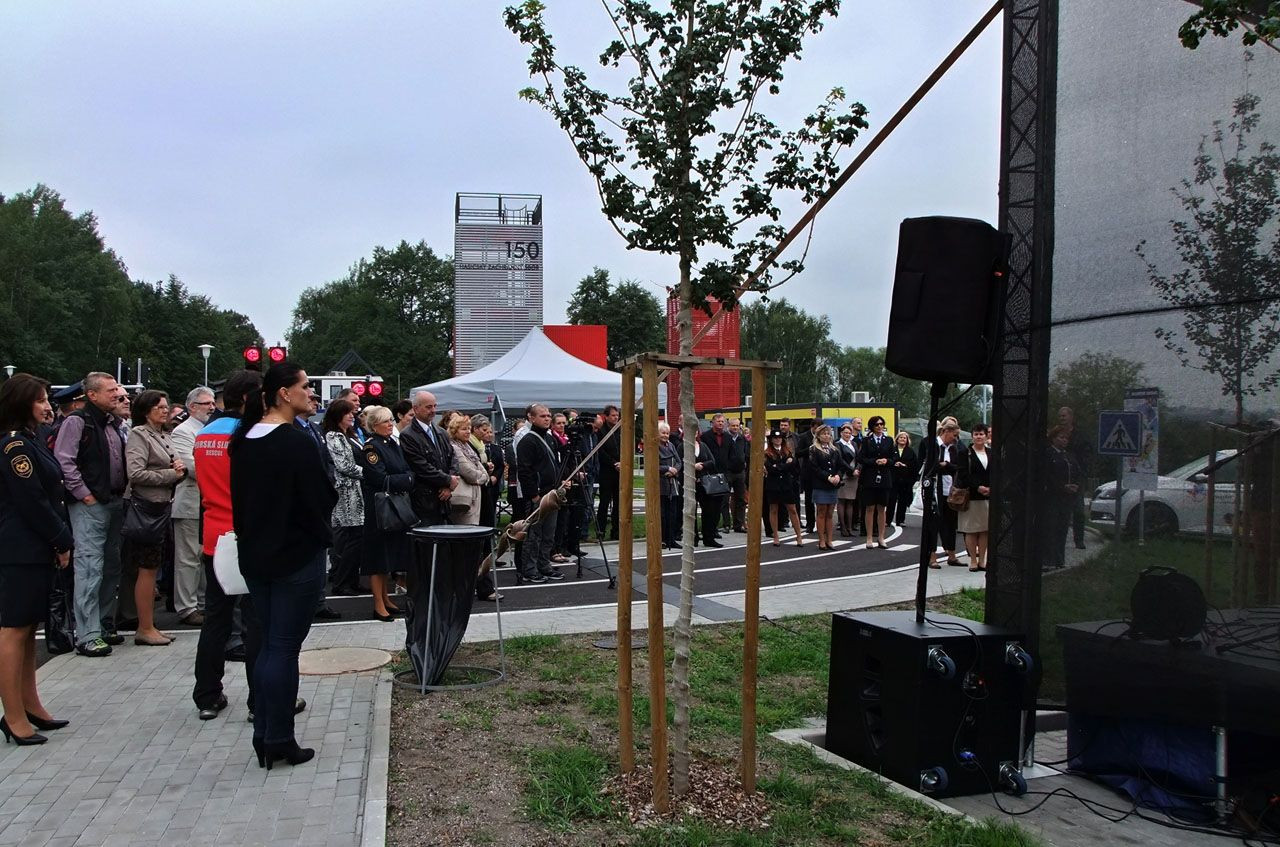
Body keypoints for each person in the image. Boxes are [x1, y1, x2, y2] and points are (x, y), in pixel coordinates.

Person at [230, 362, 337, 769]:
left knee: (269, 644)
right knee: (282, 648)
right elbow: (320, 498)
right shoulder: (294, 441)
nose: (312, 393)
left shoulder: (244, 440)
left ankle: (266, 734)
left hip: (256, 557)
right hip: (295, 556)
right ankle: (278, 737)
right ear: (283, 394)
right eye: (306, 386)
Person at [0, 375, 74, 745]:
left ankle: (31, 704)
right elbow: (31, 501)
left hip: (34, 546)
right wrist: (61, 538)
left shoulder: (31, 440)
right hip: (19, 548)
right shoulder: (15, 446)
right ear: (21, 403)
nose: (48, 406)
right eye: (41, 400)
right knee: (14, 629)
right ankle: (12, 716)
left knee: (30, 629)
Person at [192, 370, 266, 722]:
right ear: (251, 398)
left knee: (216, 618)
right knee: (256, 620)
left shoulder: (204, 434)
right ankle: (259, 700)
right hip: (248, 534)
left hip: (214, 534)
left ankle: (207, 694)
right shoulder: (250, 435)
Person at [54, 371, 127, 657]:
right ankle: (88, 634)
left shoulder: (112, 423)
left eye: (116, 390)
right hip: (90, 504)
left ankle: (105, 623)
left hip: (113, 501)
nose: (117, 394)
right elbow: (65, 461)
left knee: (111, 565)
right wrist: (84, 494)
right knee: (89, 567)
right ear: (92, 395)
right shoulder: (77, 421)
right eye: (110, 391)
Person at [124, 390, 186, 646]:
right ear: (146, 410)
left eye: (165, 405)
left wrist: (178, 472)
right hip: (145, 507)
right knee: (146, 569)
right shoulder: (139, 435)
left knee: (153, 566)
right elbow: (136, 473)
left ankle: (149, 624)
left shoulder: (164, 434)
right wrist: (171, 475)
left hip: (162, 506)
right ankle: (144, 626)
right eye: (158, 406)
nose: (164, 410)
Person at [359, 406, 414, 621]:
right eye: (385, 421)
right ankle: (378, 604)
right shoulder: (371, 448)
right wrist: (405, 480)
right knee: (377, 555)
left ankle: (386, 598)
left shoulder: (392, 443)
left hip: (395, 503)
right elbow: (379, 477)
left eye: (391, 420)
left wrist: (406, 478)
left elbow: (406, 469)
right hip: (379, 506)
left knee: (389, 555)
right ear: (374, 425)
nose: (390, 424)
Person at [170, 386, 215, 626]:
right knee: (188, 558)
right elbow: (192, 465)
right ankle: (186, 607)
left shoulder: (211, 430)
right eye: (206, 403)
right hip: (190, 501)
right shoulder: (182, 432)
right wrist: (218, 470)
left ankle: (202, 603)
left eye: (211, 403)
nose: (211, 407)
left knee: (204, 555)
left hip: (209, 501)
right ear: (192, 407)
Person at [448, 413, 501, 602]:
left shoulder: (468, 447)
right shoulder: (454, 448)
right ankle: (469, 588)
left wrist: (483, 474)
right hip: (465, 503)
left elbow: (481, 470)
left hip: (477, 501)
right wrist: (483, 475)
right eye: (464, 429)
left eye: (468, 429)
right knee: (467, 547)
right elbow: (472, 473)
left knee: (475, 546)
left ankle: (475, 586)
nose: (467, 432)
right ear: (454, 430)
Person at [516, 404, 567, 583]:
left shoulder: (550, 438)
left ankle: (544, 564)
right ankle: (529, 569)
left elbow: (555, 464)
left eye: (548, 415)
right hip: (537, 494)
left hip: (551, 493)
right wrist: (533, 495)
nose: (547, 418)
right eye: (543, 416)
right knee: (533, 534)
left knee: (548, 534)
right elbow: (524, 470)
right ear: (531, 417)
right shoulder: (528, 440)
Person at [323, 399, 364, 597]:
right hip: (344, 494)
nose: (352, 415)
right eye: (347, 413)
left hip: (356, 492)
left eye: (352, 413)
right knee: (348, 539)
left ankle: (352, 580)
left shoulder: (351, 434)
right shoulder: (333, 436)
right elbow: (343, 465)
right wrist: (369, 472)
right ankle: (341, 581)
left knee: (356, 538)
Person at [399, 391, 458, 527]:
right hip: (424, 500)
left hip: (444, 500)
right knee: (426, 543)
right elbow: (420, 466)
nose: (433, 411)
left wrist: (450, 483)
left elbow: (453, 458)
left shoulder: (441, 432)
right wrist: (448, 480)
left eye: (434, 406)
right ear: (415, 409)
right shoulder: (408, 436)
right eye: (428, 407)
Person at [928, 417, 964, 568]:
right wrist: (943, 466)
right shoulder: (932, 444)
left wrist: (946, 465)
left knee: (950, 523)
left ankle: (951, 555)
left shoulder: (954, 448)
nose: (955, 439)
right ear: (946, 431)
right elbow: (931, 465)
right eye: (954, 435)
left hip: (950, 490)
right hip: (934, 488)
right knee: (934, 523)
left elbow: (958, 467)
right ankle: (932, 556)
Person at [957, 423, 993, 572]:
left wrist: (991, 488)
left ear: (986, 436)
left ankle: (982, 560)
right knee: (971, 530)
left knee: (985, 530)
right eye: (976, 434)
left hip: (988, 497)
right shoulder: (965, 453)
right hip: (972, 496)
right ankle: (973, 560)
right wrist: (978, 487)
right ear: (972, 436)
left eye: (981, 434)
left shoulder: (992, 453)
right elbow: (963, 475)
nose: (979, 437)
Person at [1044, 425, 1080, 571]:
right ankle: (1048, 559)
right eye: (1061, 437)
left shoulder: (1069, 456)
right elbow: (1047, 475)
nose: (1064, 440)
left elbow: (1077, 472)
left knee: (1063, 528)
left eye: (1066, 438)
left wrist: (1075, 485)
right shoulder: (1048, 454)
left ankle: (1060, 559)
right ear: (1053, 438)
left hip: (1067, 498)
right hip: (1052, 497)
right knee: (1051, 528)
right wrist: (1061, 486)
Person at [858, 416, 895, 550]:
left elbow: (893, 458)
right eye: (877, 424)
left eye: (882, 424)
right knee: (869, 507)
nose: (880, 427)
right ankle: (869, 537)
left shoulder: (889, 440)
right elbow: (861, 458)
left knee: (882, 508)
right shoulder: (867, 441)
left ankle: (881, 537)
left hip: (884, 477)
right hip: (870, 477)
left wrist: (886, 461)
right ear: (872, 426)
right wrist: (874, 461)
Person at [763, 430, 803, 547]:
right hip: (773, 485)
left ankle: (799, 535)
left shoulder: (787, 451)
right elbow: (771, 469)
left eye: (780, 438)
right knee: (773, 509)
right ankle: (775, 535)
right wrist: (785, 465)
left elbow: (794, 466)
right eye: (775, 438)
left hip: (786, 484)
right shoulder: (767, 453)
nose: (777, 440)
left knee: (792, 509)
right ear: (771, 440)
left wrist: (779, 466)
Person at [806, 424, 843, 550]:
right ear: (818, 436)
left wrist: (838, 475)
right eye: (824, 433)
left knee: (830, 513)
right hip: (820, 484)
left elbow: (839, 465)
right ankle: (821, 540)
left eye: (828, 433)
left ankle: (830, 539)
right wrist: (828, 477)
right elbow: (814, 468)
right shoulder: (813, 449)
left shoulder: (834, 449)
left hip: (833, 484)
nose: (827, 436)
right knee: (821, 511)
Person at [595, 405, 622, 540]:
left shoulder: (621, 430)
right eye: (613, 415)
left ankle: (616, 531)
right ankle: (601, 531)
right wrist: (613, 463)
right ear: (606, 416)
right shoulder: (601, 431)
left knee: (619, 502)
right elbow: (600, 451)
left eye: (617, 415)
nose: (616, 418)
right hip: (607, 470)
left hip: (620, 470)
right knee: (604, 502)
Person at [693, 436, 724, 548]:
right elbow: (679, 462)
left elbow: (712, 461)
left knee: (709, 511)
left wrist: (702, 465)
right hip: (689, 483)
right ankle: (693, 538)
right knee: (691, 512)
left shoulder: (703, 446)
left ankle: (708, 538)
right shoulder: (682, 446)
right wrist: (693, 466)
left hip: (704, 483)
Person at [656, 422, 681, 549]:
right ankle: (662, 539)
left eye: (667, 433)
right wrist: (667, 468)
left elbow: (679, 461)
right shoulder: (654, 447)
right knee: (663, 514)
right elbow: (653, 465)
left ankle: (672, 539)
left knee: (673, 513)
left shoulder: (671, 445)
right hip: (661, 484)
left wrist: (675, 470)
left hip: (673, 483)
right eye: (663, 433)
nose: (665, 435)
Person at [888, 431, 919, 528]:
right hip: (893, 479)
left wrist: (905, 465)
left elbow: (915, 465)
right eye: (900, 437)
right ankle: (888, 520)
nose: (902, 439)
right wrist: (894, 464)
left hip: (905, 480)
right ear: (897, 439)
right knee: (891, 500)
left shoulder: (910, 451)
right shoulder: (891, 450)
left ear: (907, 440)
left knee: (903, 501)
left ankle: (901, 520)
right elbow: (888, 461)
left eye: (904, 438)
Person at [835, 424, 860, 538]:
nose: (847, 435)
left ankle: (849, 528)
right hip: (843, 474)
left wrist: (858, 469)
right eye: (845, 433)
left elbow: (859, 458)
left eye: (849, 433)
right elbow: (840, 460)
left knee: (850, 501)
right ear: (841, 433)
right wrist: (851, 470)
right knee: (842, 501)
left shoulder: (853, 444)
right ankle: (843, 528)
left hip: (854, 476)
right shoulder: (838, 444)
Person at [725, 419, 749, 532]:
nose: (735, 428)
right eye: (733, 425)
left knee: (741, 499)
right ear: (728, 426)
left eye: (737, 426)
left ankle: (738, 525)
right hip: (728, 471)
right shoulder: (725, 438)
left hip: (740, 472)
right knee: (725, 498)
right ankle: (726, 524)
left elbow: (746, 453)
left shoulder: (742, 439)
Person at [796, 420, 818, 533]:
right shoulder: (804, 437)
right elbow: (798, 452)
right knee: (809, 499)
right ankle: (810, 524)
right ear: (812, 427)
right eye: (817, 428)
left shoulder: (824, 436)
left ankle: (821, 524)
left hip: (820, 472)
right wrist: (810, 448)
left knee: (821, 500)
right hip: (808, 471)